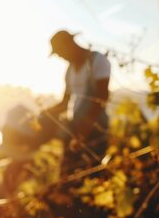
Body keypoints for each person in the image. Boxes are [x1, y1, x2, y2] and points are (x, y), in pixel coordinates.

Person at [44, 30, 111, 168]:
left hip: (95, 129)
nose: (60, 56)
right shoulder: (69, 70)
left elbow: (102, 98)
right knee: (68, 171)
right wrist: (45, 113)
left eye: (59, 52)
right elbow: (65, 102)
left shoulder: (97, 60)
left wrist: (84, 131)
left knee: (92, 171)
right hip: (75, 129)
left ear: (69, 44)